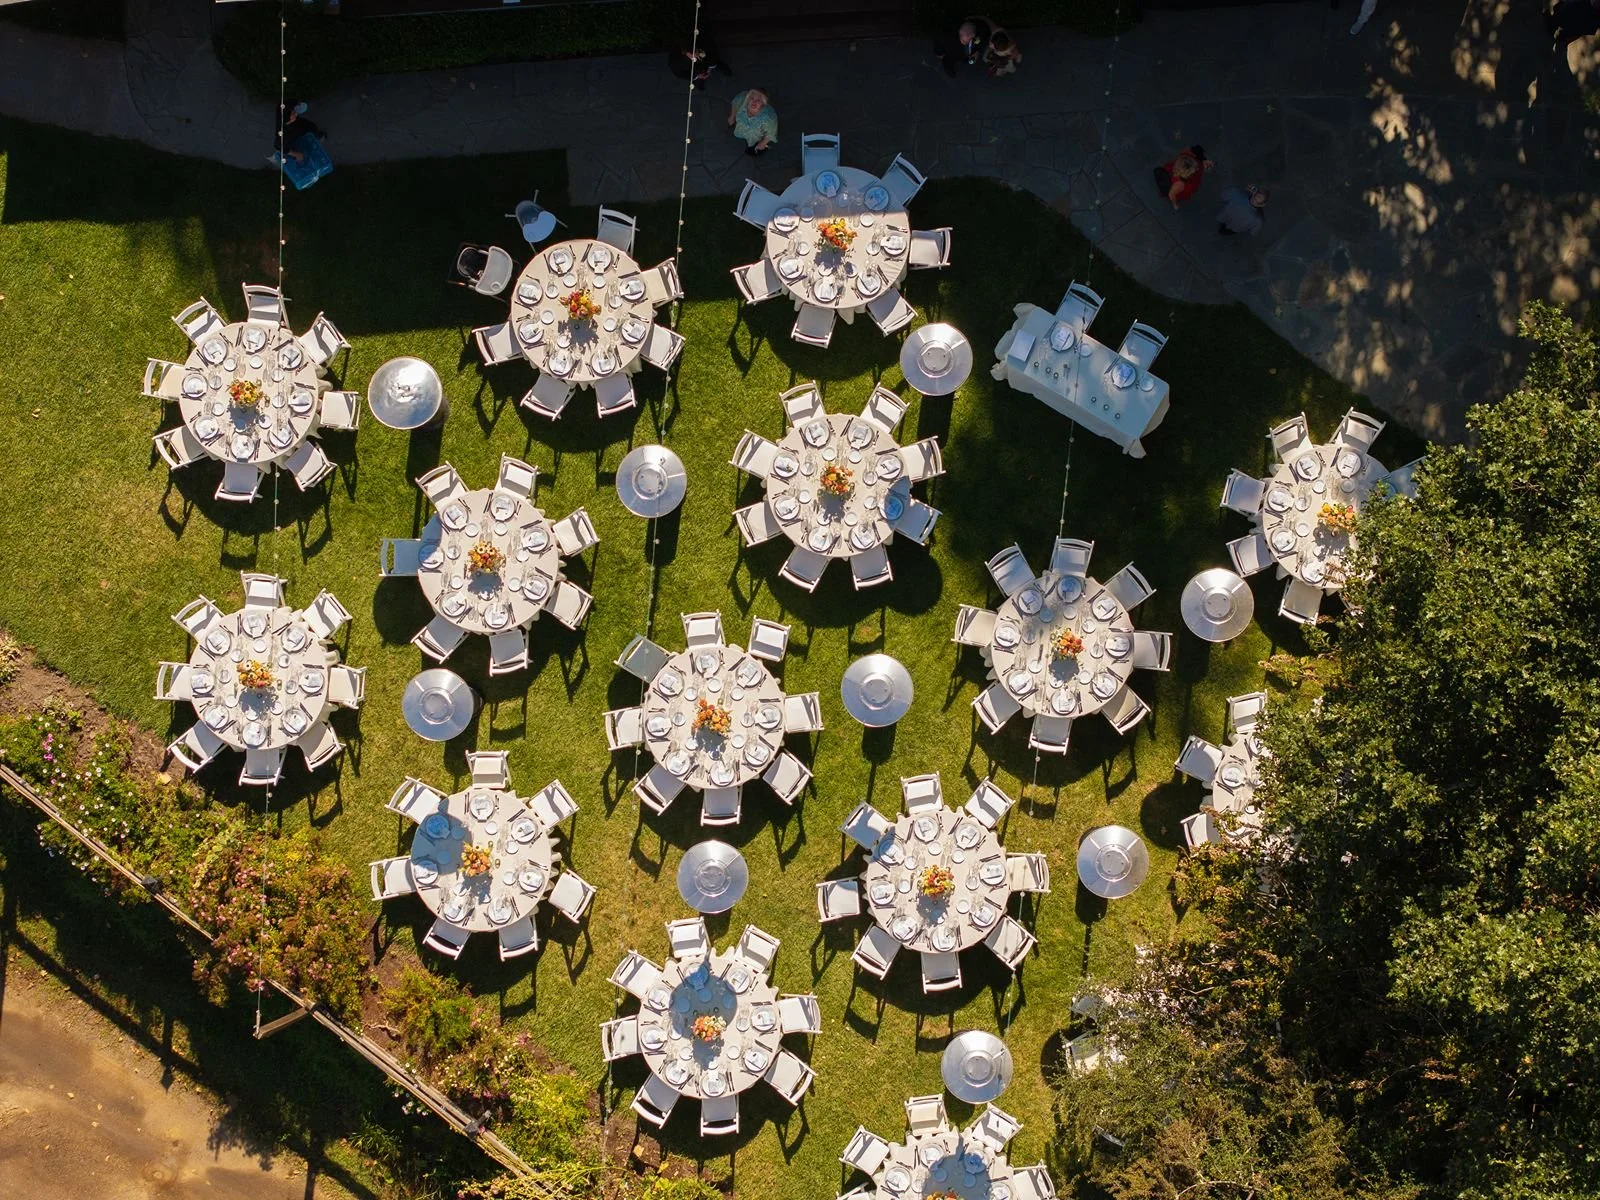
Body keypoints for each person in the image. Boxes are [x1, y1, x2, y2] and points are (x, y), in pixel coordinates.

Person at [1154, 145, 1213, 210]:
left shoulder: (1179, 182)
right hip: (1185, 182)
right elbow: (1171, 195)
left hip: (1179, 182)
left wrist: (1175, 204)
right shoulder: (1181, 182)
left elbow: (1171, 195)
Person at [667, 30, 731, 90]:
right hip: (693, 71)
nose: (695, 56)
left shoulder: (704, 41)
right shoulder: (676, 62)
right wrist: (697, 76)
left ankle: (717, 65)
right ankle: (699, 82)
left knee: (714, 62)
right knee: (699, 84)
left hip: (707, 60)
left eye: (696, 53)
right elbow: (681, 74)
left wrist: (710, 68)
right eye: (693, 55)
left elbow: (713, 52)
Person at [728, 88, 777, 156]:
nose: (754, 102)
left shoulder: (769, 117)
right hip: (742, 128)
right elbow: (735, 103)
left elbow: (771, 133)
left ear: (763, 103)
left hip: (755, 136)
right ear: (748, 99)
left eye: (758, 100)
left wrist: (762, 144)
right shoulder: (742, 101)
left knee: (752, 150)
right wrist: (732, 116)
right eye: (752, 98)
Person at [275, 99, 324, 165]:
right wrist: (297, 154)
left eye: (294, 112)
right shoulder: (281, 132)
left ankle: (319, 135)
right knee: (292, 150)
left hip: (297, 126)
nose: (296, 114)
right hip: (292, 137)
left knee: (311, 126)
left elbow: (291, 103)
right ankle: (297, 161)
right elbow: (277, 146)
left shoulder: (283, 107)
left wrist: (297, 104)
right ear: (288, 121)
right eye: (294, 114)